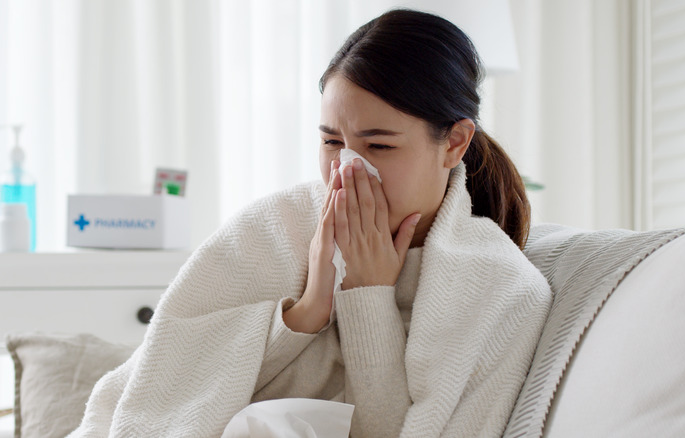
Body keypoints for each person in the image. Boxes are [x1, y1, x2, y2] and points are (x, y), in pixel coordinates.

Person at [68, 9, 552, 438]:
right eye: (331, 142)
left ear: (455, 143)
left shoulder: (498, 290)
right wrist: (308, 311)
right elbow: (160, 392)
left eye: (379, 145)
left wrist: (367, 296)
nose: (348, 169)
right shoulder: (272, 229)